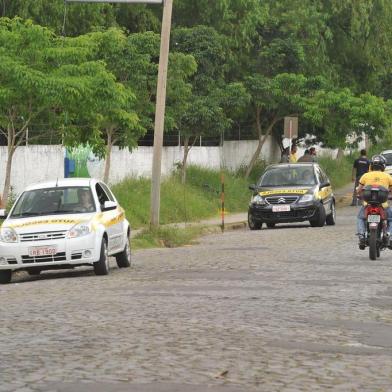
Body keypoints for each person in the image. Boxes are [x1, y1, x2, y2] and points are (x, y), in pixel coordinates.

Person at [356, 155, 392, 249]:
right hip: (383, 205)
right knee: (390, 219)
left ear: (371, 166)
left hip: (367, 204)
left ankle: (361, 235)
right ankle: (388, 234)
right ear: (383, 166)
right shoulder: (388, 176)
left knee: (360, 218)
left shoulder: (365, 175)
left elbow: (359, 190)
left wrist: (358, 193)